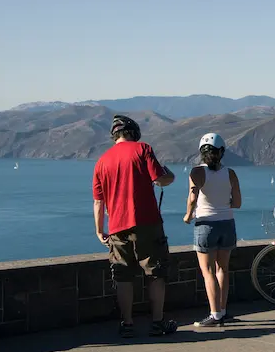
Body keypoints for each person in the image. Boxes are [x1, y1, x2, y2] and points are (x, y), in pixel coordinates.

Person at [92, 115, 177, 338]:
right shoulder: (143, 149)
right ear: (132, 132)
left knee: (122, 276)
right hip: (147, 222)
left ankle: (127, 324)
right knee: (156, 272)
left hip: (117, 226)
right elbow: (160, 179)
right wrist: (171, 175)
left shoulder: (101, 161)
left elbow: (99, 201)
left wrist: (100, 229)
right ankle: (158, 323)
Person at [183, 133, 242, 327]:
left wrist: (188, 215)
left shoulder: (197, 173)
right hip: (227, 223)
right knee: (222, 269)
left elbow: (192, 199)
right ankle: (223, 311)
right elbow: (238, 203)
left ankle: (214, 315)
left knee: (207, 271)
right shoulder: (231, 173)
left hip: (206, 225)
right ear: (221, 152)